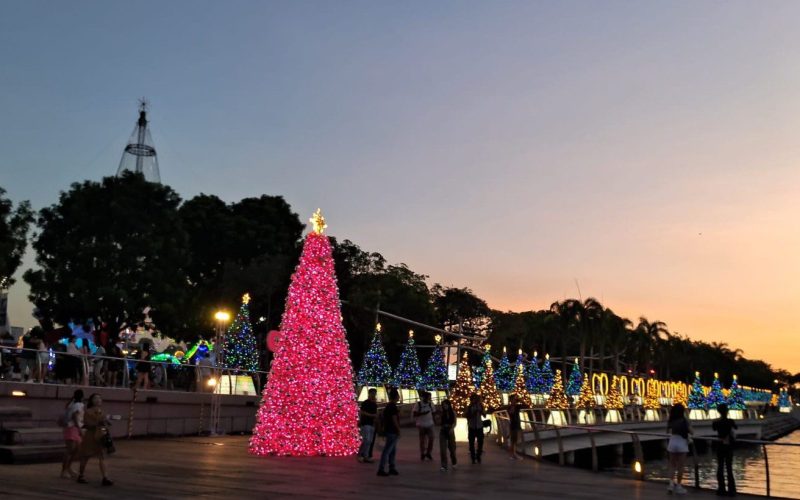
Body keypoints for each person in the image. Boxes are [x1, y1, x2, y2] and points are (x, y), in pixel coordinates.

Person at [77, 393, 113, 486]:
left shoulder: (101, 411)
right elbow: (88, 424)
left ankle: (105, 477)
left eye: (99, 398)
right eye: (95, 398)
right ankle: (81, 475)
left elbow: (103, 423)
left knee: (102, 456)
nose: (98, 400)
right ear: (91, 401)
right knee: (86, 456)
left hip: (100, 435)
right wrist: (100, 422)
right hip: (91, 436)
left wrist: (106, 423)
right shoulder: (88, 412)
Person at [666, 403, 693, 495]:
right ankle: (678, 486)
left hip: (673, 441)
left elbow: (667, 431)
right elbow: (691, 432)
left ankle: (670, 484)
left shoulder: (671, 420)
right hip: (682, 443)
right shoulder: (684, 421)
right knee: (680, 466)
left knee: (672, 465)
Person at [712, 403, 738, 496]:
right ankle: (731, 490)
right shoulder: (730, 421)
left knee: (720, 466)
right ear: (727, 411)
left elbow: (714, 429)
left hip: (719, 445)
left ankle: (721, 488)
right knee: (729, 468)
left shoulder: (716, 422)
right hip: (728, 446)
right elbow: (736, 427)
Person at [61, 389, 84, 479]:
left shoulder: (71, 404)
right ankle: (64, 470)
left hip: (71, 427)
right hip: (73, 427)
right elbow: (75, 416)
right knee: (70, 450)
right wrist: (79, 428)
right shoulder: (78, 405)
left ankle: (68, 468)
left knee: (75, 450)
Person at [377, 389, 400, 477]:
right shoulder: (393, 406)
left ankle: (392, 467)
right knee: (387, 450)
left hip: (388, 430)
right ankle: (381, 468)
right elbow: (394, 419)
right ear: (396, 396)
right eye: (398, 395)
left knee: (392, 450)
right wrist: (398, 429)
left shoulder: (388, 406)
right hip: (392, 431)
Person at [357, 388, 378, 463]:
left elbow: (376, 413)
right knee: (367, 440)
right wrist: (371, 415)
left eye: (375, 394)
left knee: (369, 441)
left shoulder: (374, 404)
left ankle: (364, 455)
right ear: (369, 394)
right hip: (366, 423)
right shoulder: (365, 403)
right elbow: (362, 412)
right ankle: (363, 455)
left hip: (372, 424)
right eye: (372, 393)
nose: (374, 395)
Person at [413, 390, 435, 461]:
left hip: (430, 424)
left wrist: (435, 419)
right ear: (424, 397)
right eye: (428, 397)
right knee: (422, 440)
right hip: (421, 424)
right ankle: (422, 453)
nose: (429, 399)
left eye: (430, 397)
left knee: (431, 438)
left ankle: (428, 453)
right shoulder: (418, 404)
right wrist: (423, 413)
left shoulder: (431, 404)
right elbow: (414, 414)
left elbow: (434, 412)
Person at [466, 393, 486, 464]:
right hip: (472, 427)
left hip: (479, 426)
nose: (476, 400)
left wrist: (481, 411)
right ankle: (473, 457)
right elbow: (467, 416)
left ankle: (478, 456)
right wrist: (474, 412)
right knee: (471, 443)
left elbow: (484, 415)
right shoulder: (469, 406)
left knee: (480, 442)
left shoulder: (481, 406)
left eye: (477, 399)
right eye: (474, 399)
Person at [439, 398, 458, 471]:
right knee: (443, 449)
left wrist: (452, 429)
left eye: (446, 405)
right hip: (443, 430)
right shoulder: (442, 413)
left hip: (450, 430)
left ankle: (454, 462)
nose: (444, 406)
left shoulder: (453, 412)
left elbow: (454, 422)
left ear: (449, 405)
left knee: (452, 449)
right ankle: (444, 465)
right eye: (443, 405)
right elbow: (439, 422)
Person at [507, 394, 526, 459]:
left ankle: (513, 455)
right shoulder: (511, 407)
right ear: (511, 400)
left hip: (516, 424)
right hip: (514, 425)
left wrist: (520, 400)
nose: (515, 400)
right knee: (514, 440)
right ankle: (513, 455)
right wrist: (515, 404)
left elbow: (526, 406)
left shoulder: (516, 406)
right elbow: (511, 413)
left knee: (514, 440)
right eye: (514, 399)